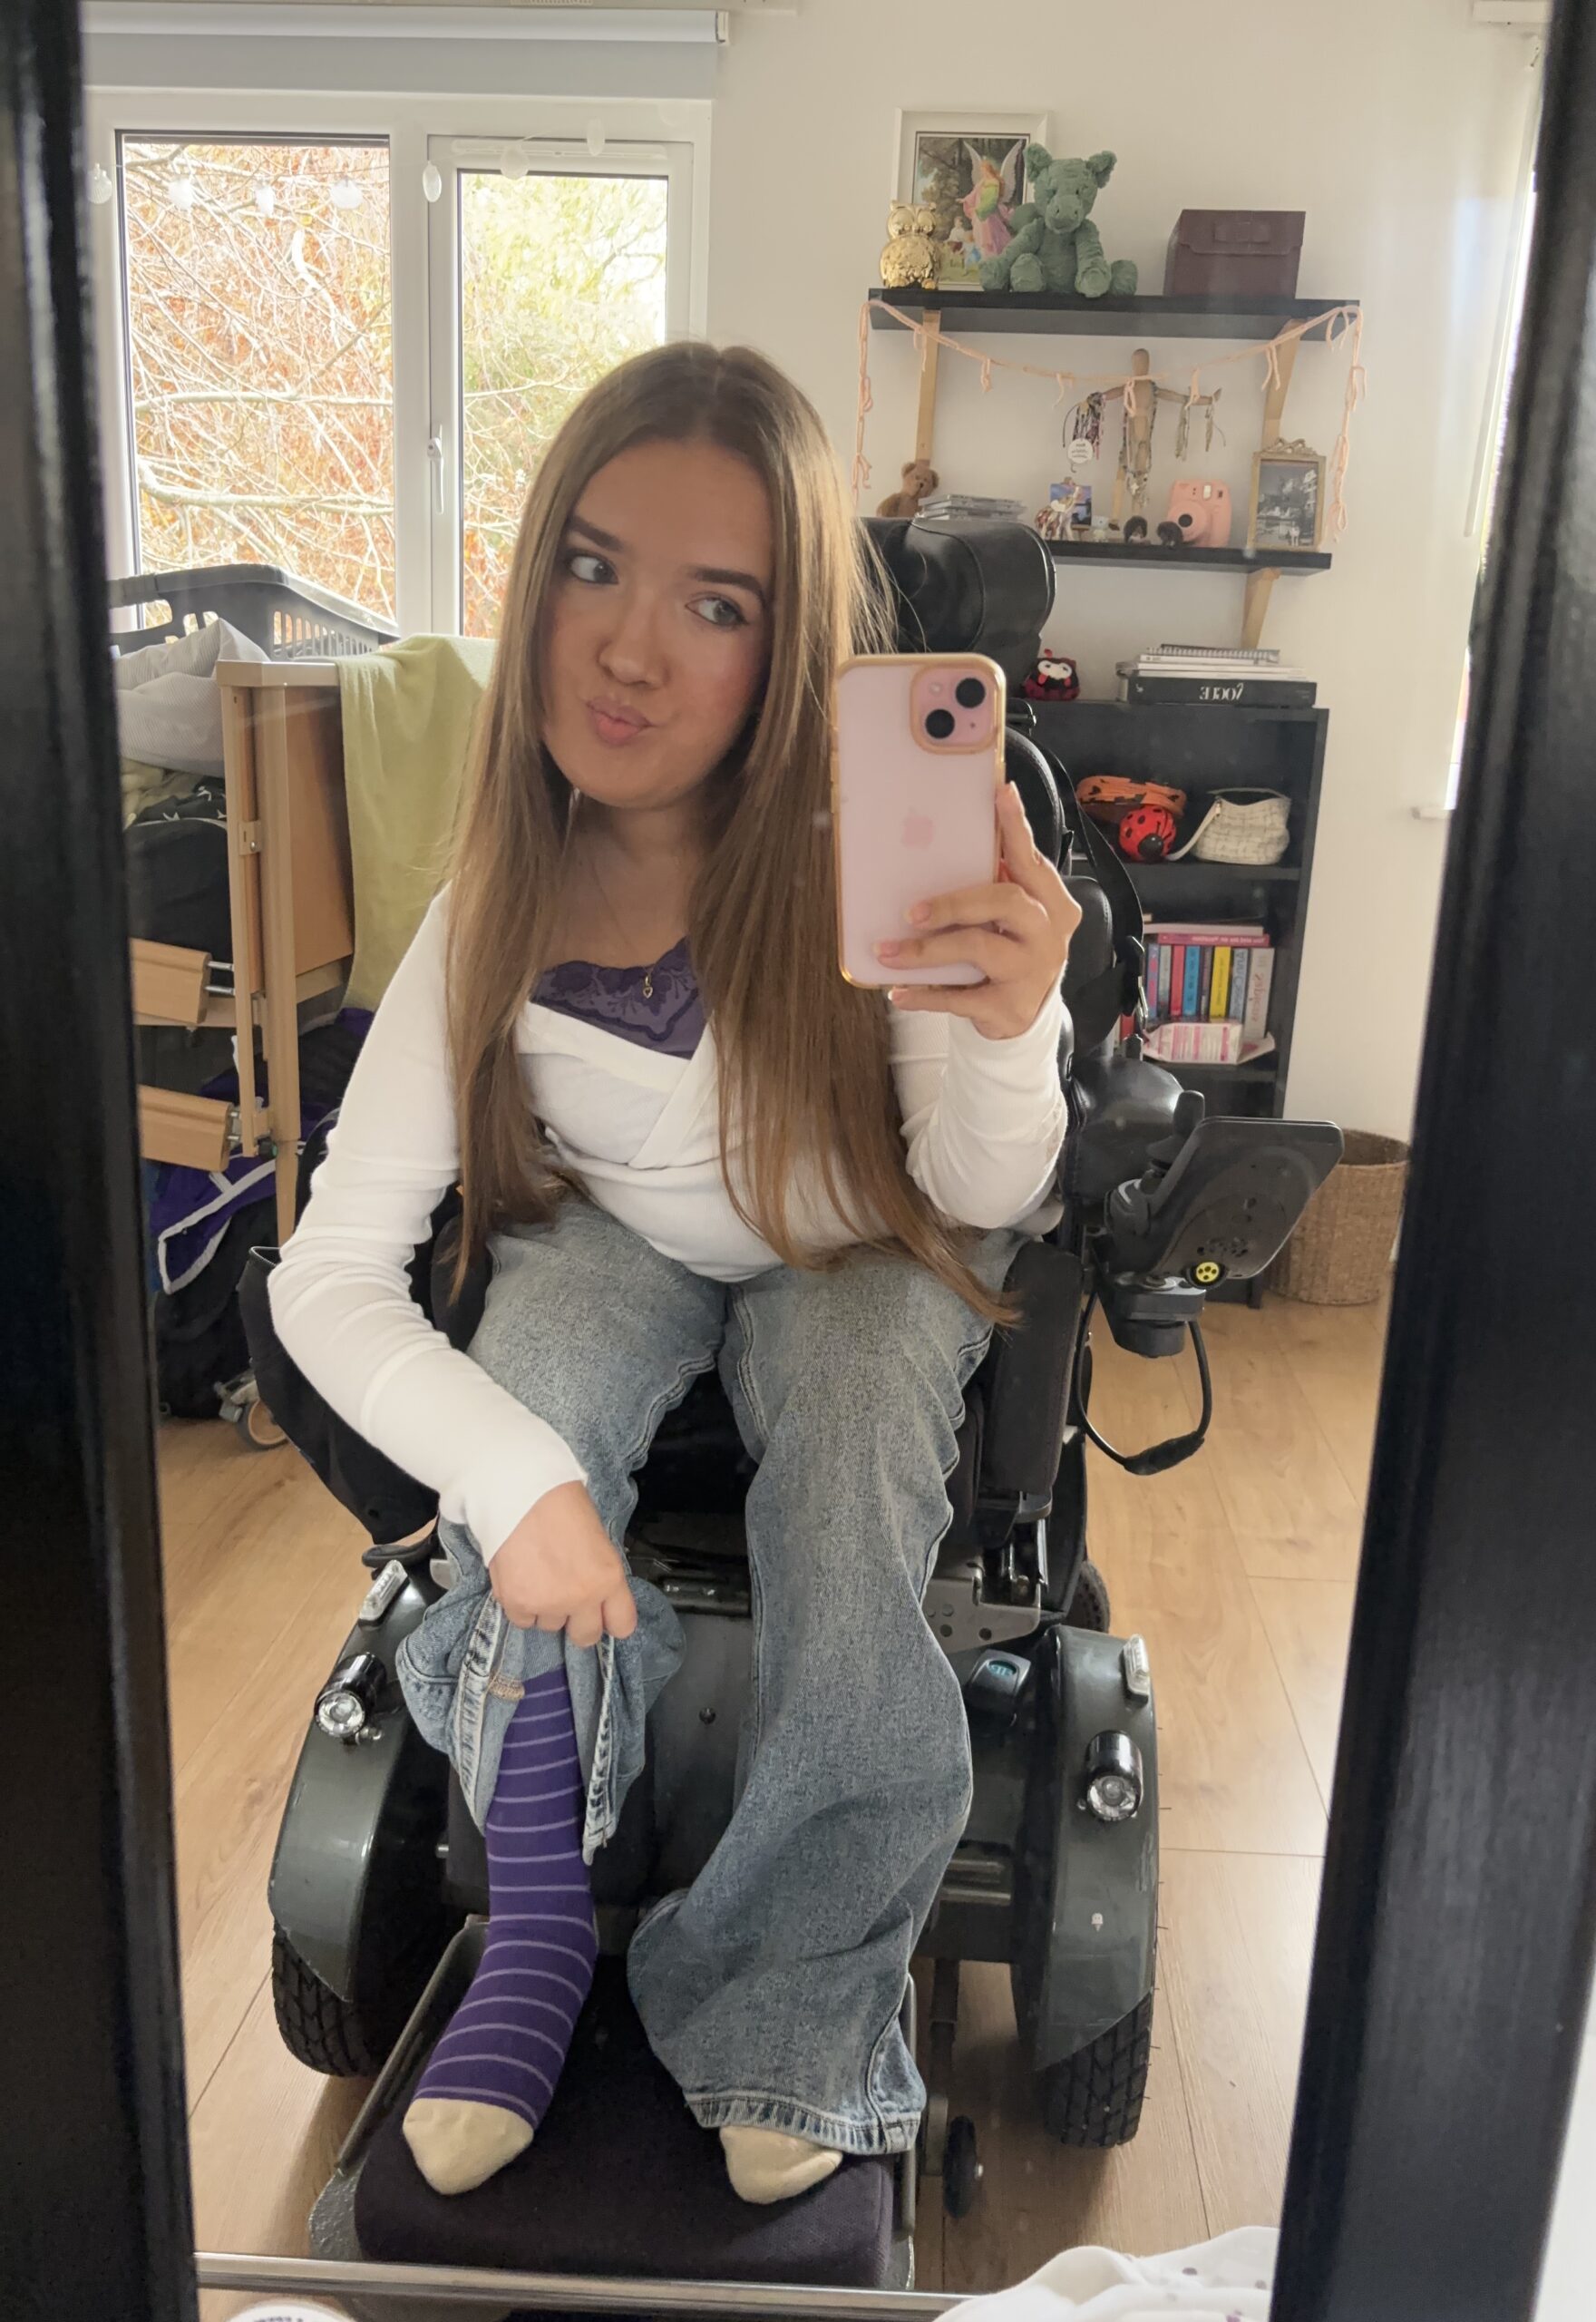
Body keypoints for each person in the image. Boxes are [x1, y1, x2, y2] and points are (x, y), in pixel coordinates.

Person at [269, 341, 1077, 2207]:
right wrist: (519, 1480)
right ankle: (540, 1925)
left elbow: (981, 1185)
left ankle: (795, 1993)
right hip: (618, 1237)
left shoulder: (873, 857)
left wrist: (1010, 1026)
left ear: (786, 644)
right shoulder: (494, 906)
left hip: (860, 1241)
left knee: (875, 1404)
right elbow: (331, 1278)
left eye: (717, 603)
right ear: (537, 563)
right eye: (593, 566)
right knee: (523, 1400)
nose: (631, 648)